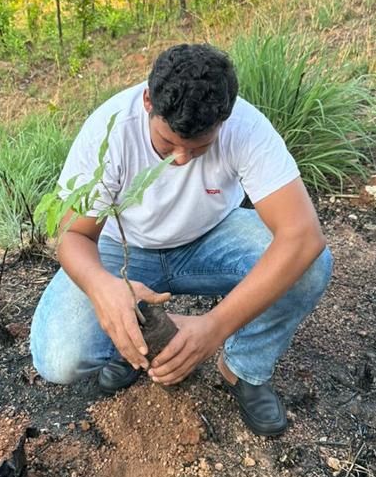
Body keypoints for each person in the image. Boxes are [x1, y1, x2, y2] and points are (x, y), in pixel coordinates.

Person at [30, 43, 332, 437]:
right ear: (147, 101)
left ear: (224, 119)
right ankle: (132, 347)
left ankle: (243, 368)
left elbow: (302, 236)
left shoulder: (245, 127)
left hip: (210, 239)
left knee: (311, 265)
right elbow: (73, 236)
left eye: (199, 148)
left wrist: (215, 327)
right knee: (60, 359)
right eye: (166, 144)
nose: (181, 160)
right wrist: (104, 287)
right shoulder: (110, 131)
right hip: (126, 247)